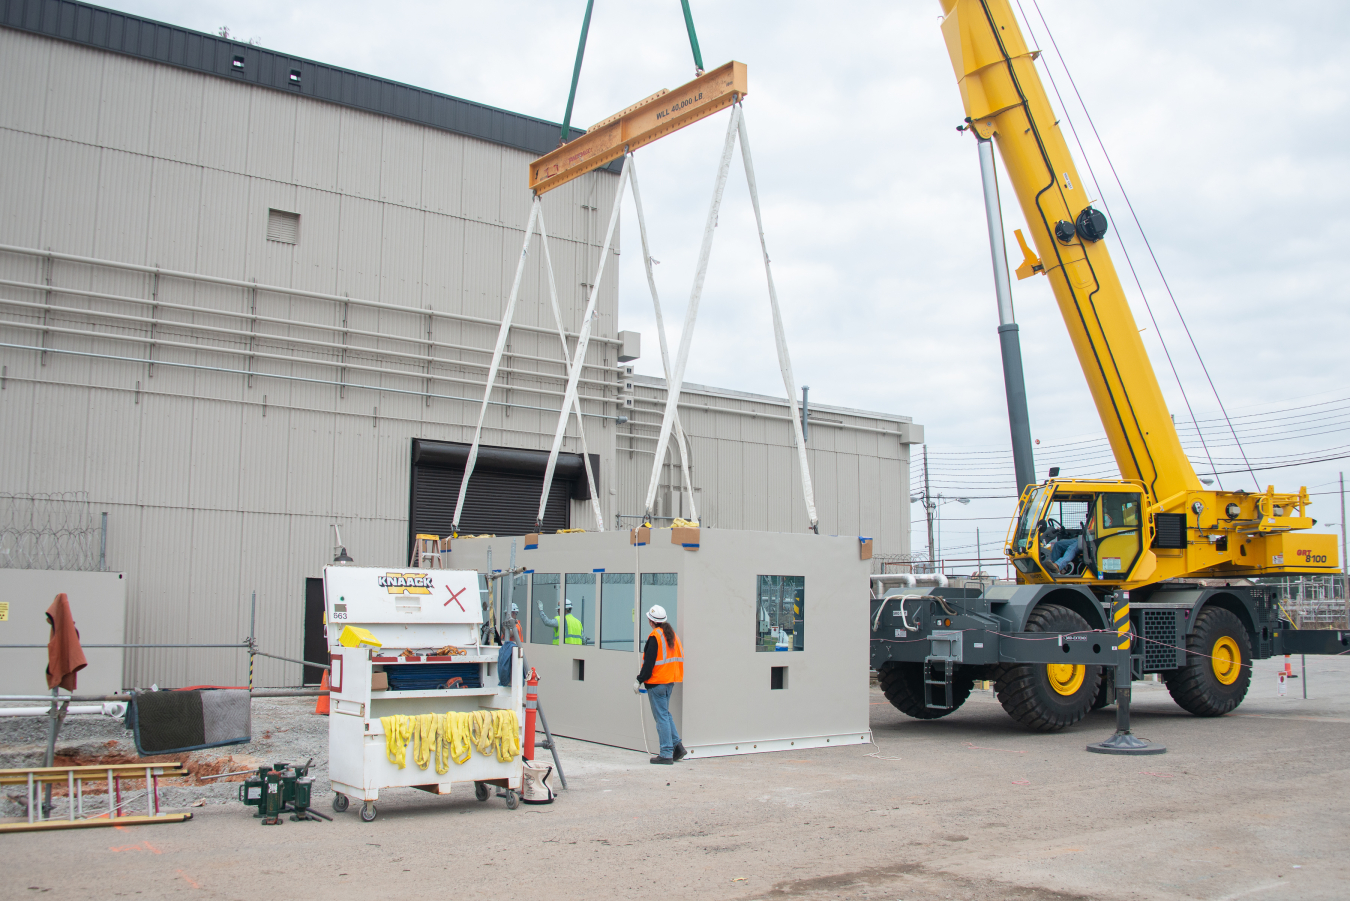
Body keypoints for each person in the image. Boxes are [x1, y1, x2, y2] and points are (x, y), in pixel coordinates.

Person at [636, 605, 685, 765]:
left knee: (661, 717)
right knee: (665, 714)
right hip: (669, 681)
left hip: (657, 683)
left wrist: (639, 680)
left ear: (651, 621)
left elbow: (649, 664)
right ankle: (677, 746)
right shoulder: (671, 635)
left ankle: (666, 753)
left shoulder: (655, 637)